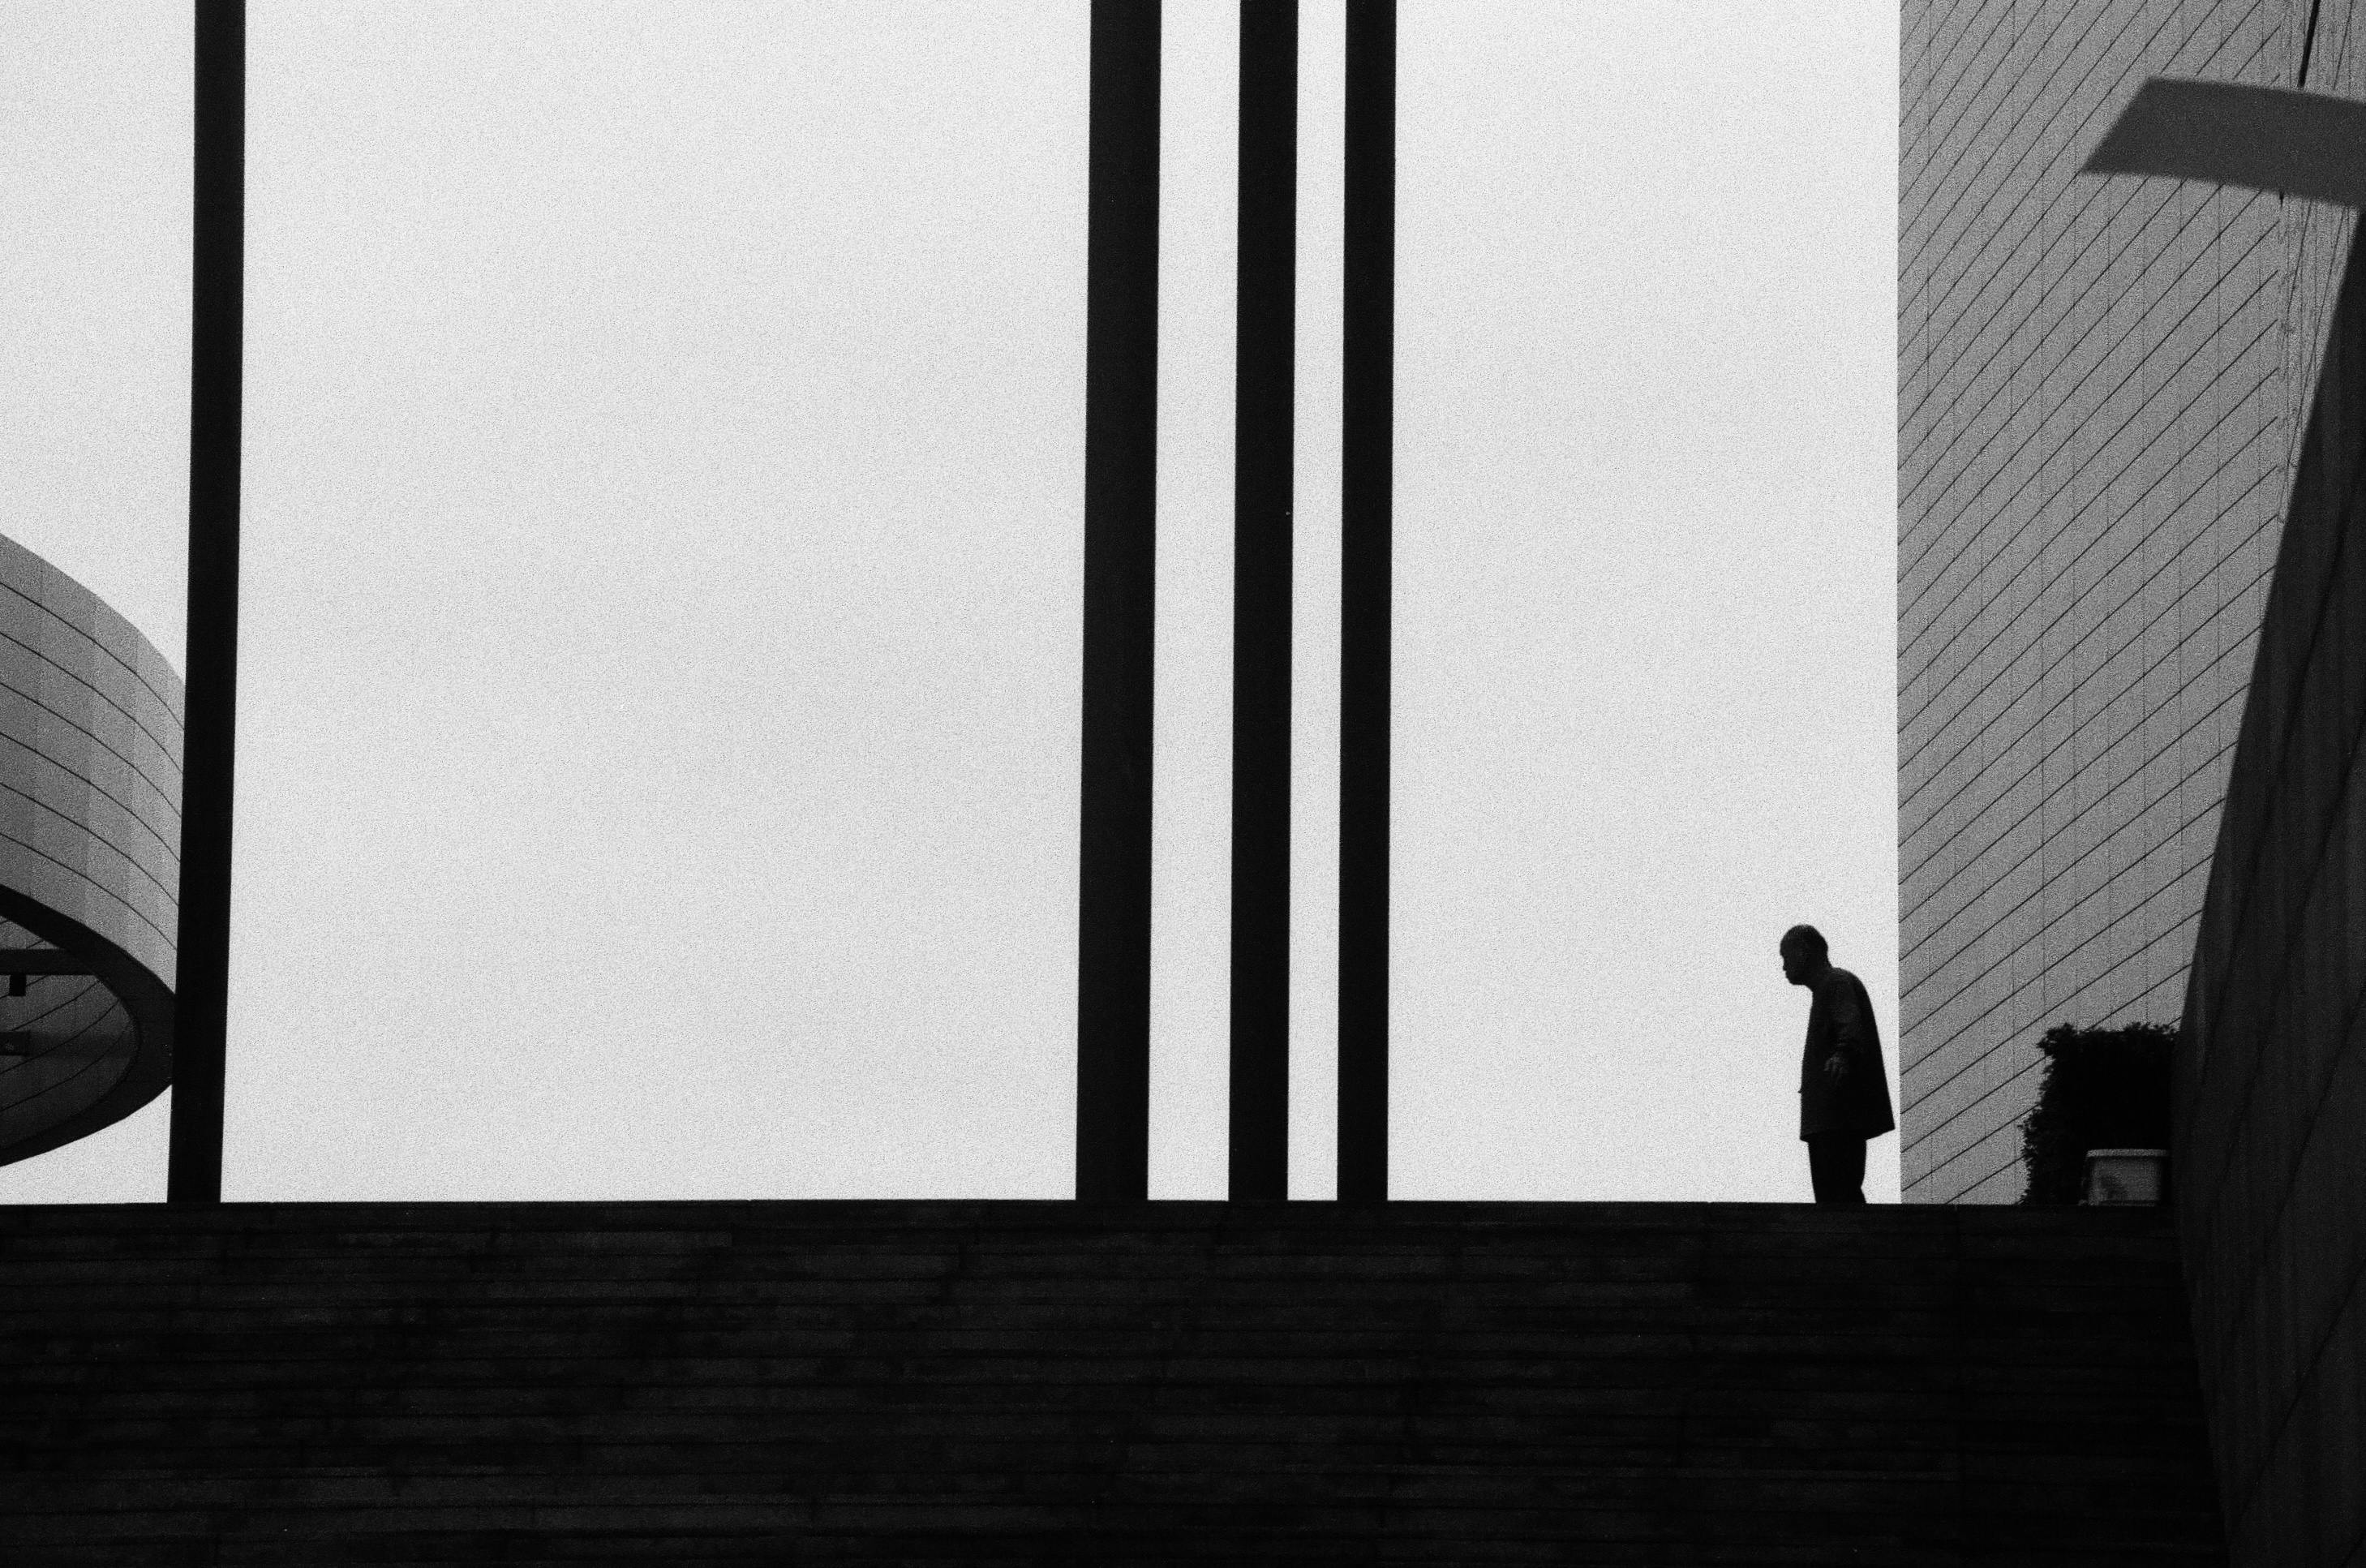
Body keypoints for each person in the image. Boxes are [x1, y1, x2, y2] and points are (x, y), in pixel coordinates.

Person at [1780, 924, 1896, 1205]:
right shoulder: (1828, 988)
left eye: (1786, 957)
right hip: (1829, 1116)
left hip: (1837, 1115)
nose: (1783, 967)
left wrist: (1842, 1054)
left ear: (1804, 952)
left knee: (1838, 1194)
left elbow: (1851, 1028)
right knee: (1835, 1194)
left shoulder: (1836, 983)